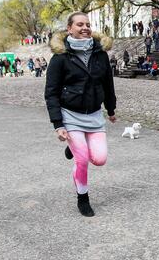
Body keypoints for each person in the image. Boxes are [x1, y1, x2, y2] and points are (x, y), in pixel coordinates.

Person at [44, 11, 117, 217]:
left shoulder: (99, 54)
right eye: (79, 24)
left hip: (94, 115)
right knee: (82, 160)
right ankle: (83, 198)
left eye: (87, 24)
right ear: (69, 29)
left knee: (100, 159)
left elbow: (107, 84)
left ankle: (73, 150)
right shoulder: (60, 58)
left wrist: (110, 109)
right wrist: (58, 124)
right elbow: (51, 93)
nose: (85, 28)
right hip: (71, 115)